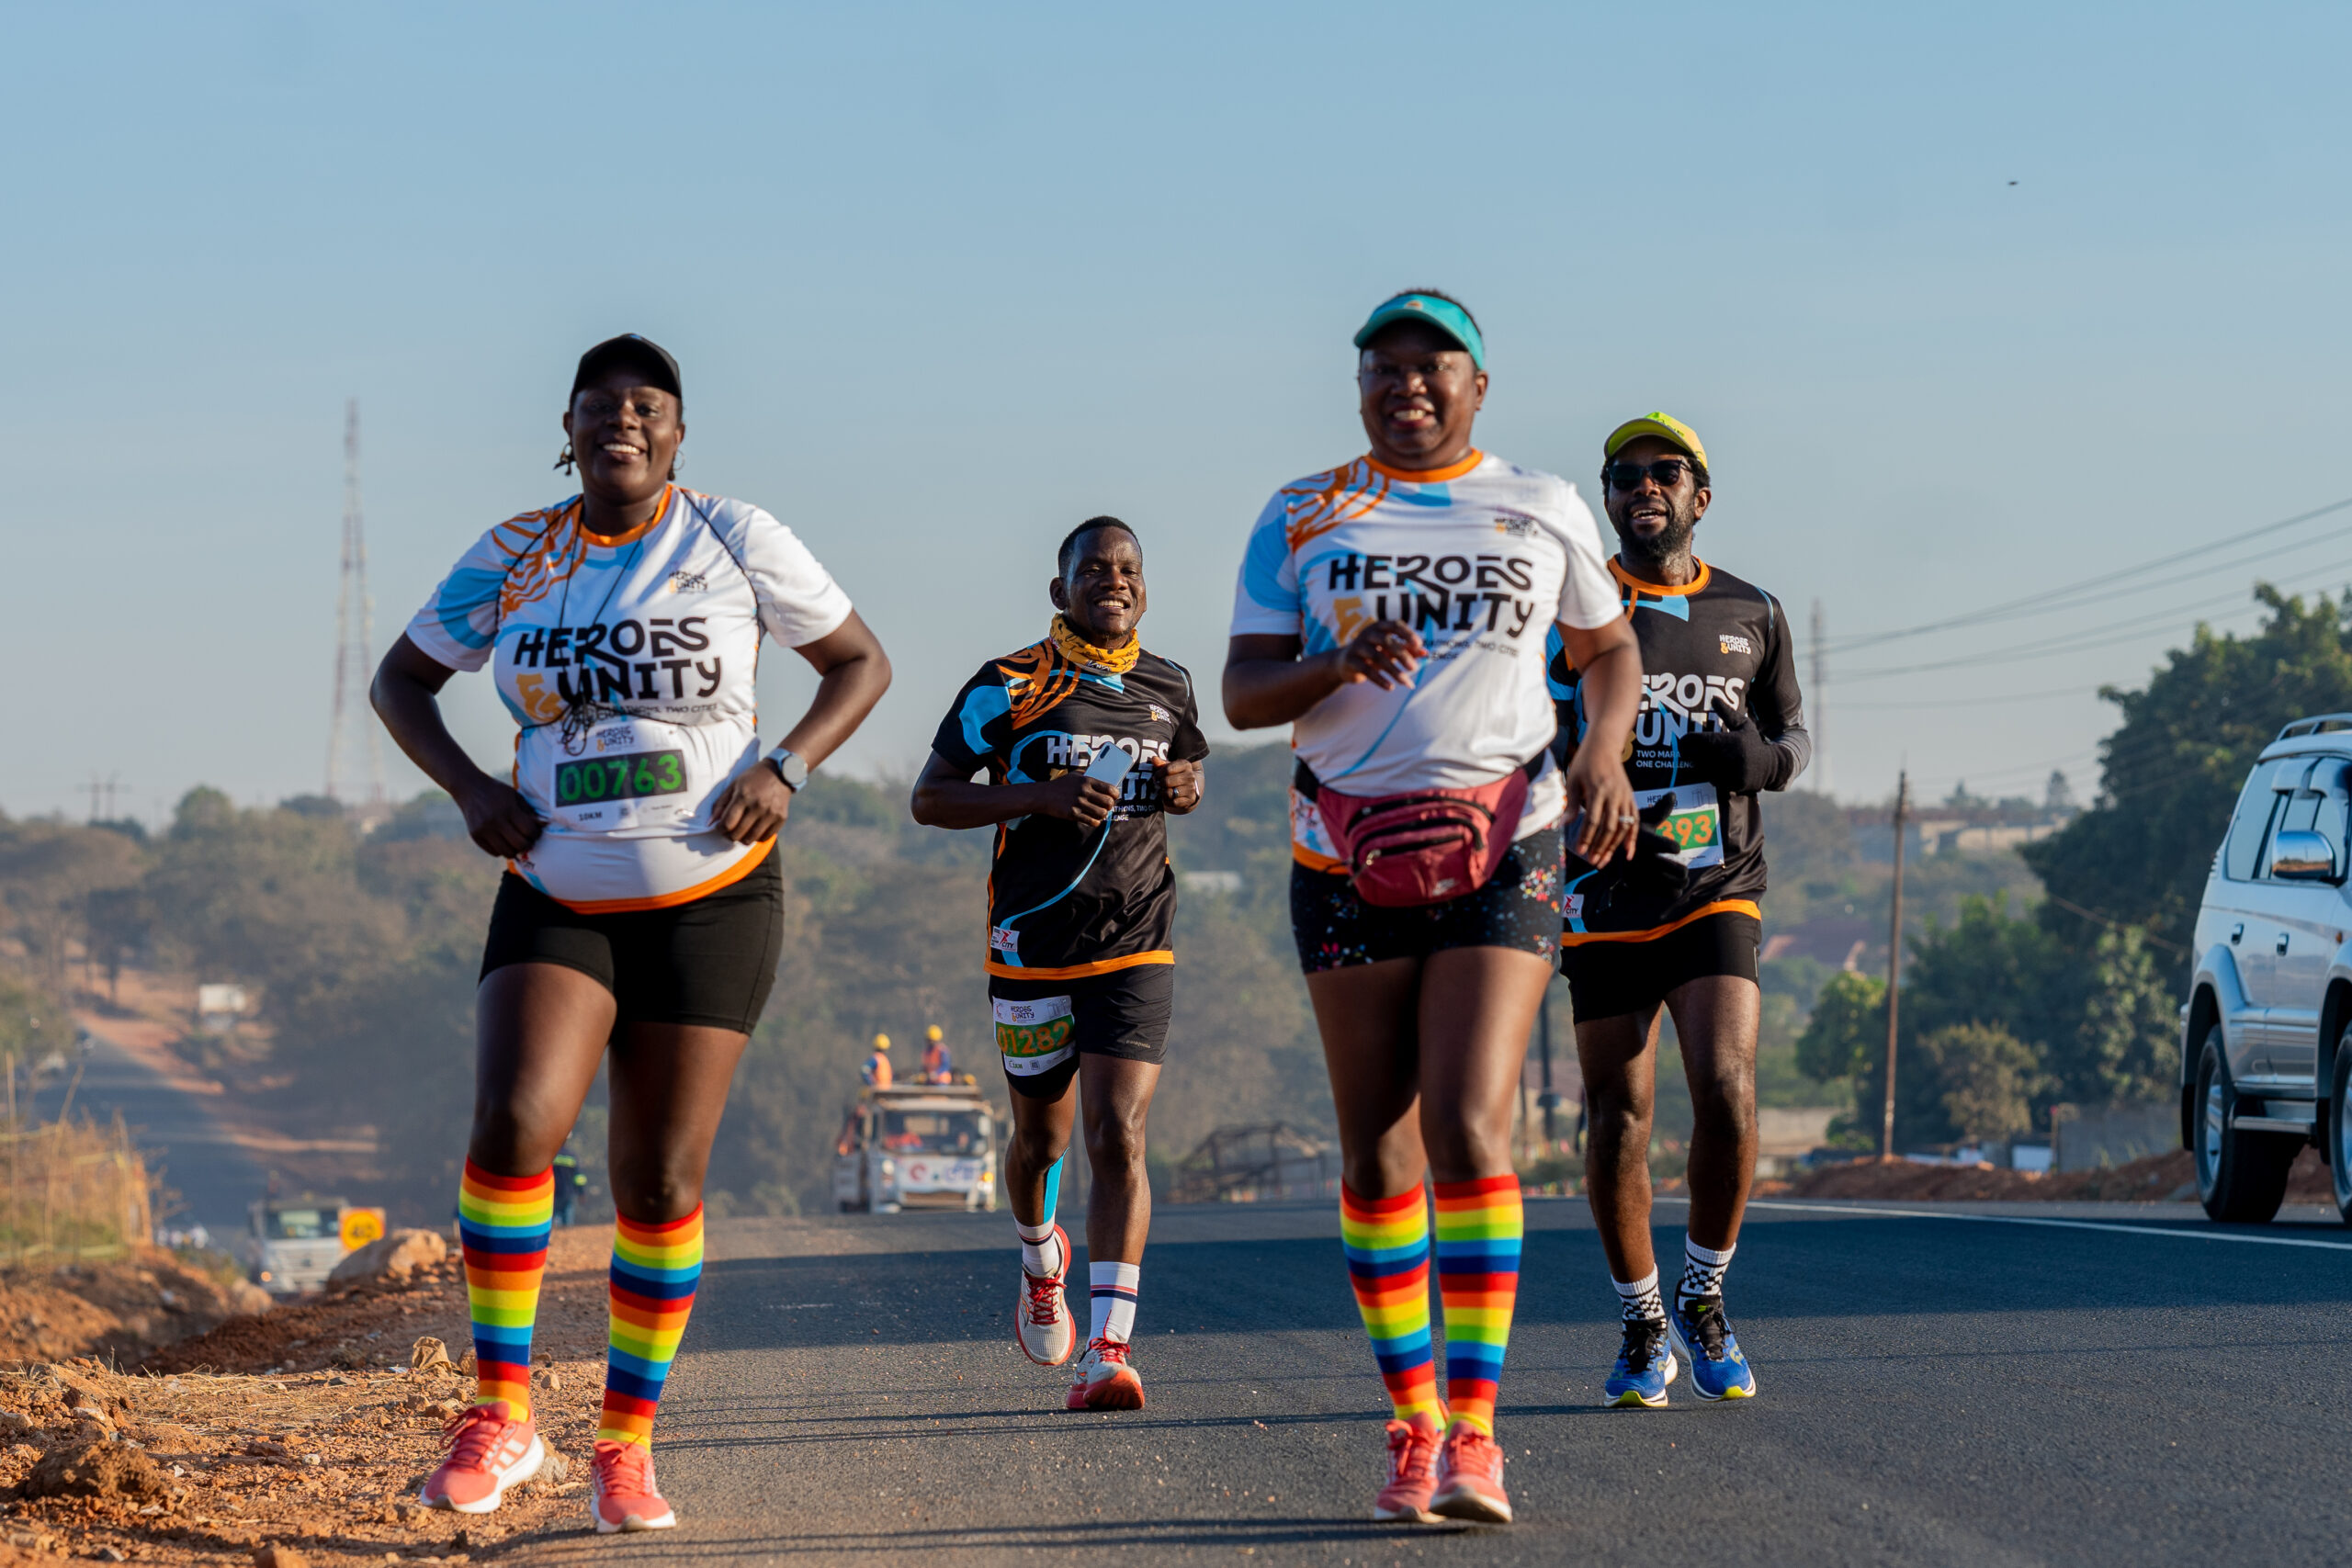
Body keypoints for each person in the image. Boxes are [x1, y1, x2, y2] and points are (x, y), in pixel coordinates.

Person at [371, 333, 889, 1532]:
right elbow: (402, 679)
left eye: (648, 405)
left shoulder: (737, 537)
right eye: (601, 405)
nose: (624, 420)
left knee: (657, 1178)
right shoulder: (515, 552)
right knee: (513, 1122)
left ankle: (625, 1444)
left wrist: (791, 765)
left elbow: (861, 661)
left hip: (715, 895)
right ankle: (503, 1414)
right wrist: (466, 788)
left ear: (678, 432)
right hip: (553, 883)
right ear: (568, 426)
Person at [1222, 291, 1641, 1524]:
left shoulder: (1542, 502)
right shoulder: (1301, 512)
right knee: (1379, 1148)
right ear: (1358, 388)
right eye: (1383, 368)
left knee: (1467, 1121)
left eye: (1431, 366)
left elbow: (1608, 648)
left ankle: (1474, 1431)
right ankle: (1409, 1422)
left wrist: (1604, 752)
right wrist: (1334, 663)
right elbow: (1247, 691)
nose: (1406, 385)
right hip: (1343, 844)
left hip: (1508, 833)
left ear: (1479, 386)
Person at [910, 516, 1206, 1411]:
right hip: (1032, 946)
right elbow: (930, 797)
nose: (1112, 582)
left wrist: (1188, 787)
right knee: (1040, 1139)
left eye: (1127, 570)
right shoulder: (1006, 686)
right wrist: (1039, 795)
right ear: (1060, 591)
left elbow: (1185, 770)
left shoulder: (1171, 684)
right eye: (1092, 571)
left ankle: (1108, 1350)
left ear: (1144, 590)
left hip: (1136, 940)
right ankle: (1041, 1258)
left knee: (1117, 1134)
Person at [1544, 412, 1809, 1408]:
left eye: (1666, 472)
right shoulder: (1572, 610)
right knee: (1620, 1116)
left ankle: (1704, 1298)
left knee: (1728, 1088)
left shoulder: (1754, 611)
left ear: (1702, 497)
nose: (1643, 487)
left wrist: (1761, 764)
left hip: (1716, 888)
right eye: (1624, 476)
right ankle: (1641, 1322)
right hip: (1603, 890)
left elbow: (1790, 734)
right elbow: (1523, 734)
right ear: (1607, 499)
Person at [550, 1137, 587, 1228]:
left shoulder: (550, 1156)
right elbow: (579, 1177)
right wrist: (581, 1193)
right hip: (568, 1194)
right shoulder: (571, 1156)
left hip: (552, 1194)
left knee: (552, 1224)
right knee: (568, 1225)